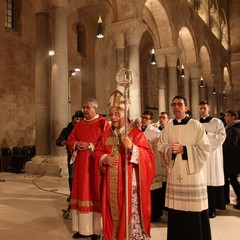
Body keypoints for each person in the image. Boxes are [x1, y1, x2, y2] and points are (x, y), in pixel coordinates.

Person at [94, 90, 155, 240]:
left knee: (128, 214)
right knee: (112, 214)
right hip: (111, 186)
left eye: (117, 114)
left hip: (129, 185)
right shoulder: (106, 135)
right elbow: (96, 152)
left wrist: (133, 148)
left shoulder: (136, 134)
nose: (113, 117)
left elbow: (149, 157)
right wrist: (104, 157)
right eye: (111, 114)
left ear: (124, 113)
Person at [158, 95, 211, 240]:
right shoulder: (168, 126)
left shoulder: (196, 125)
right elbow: (161, 146)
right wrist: (169, 149)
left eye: (179, 104)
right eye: (173, 104)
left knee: (193, 210)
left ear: (186, 107)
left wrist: (185, 149)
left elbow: (205, 149)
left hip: (192, 174)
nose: (176, 107)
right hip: (175, 173)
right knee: (176, 211)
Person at [67, 98, 110, 240]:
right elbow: (70, 138)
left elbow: (106, 142)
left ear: (95, 109)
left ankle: (97, 231)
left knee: (93, 193)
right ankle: (82, 228)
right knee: (80, 193)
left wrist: (91, 145)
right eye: (83, 107)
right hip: (80, 166)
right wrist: (76, 144)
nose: (85, 110)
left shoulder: (103, 123)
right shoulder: (79, 124)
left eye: (88, 107)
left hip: (94, 165)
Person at [198, 100, 226, 218]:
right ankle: (203, 208)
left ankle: (212, 208)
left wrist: (206, 135)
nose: (202, 110)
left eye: (204, 108)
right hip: (200, 157)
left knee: (211, 184)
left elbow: (221, 137)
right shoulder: (196, 123)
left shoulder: (217, 122)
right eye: (200, 108)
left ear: (209, 108)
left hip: (213, 156)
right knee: (202, 184)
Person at [56, 111, 83, 201]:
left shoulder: (83, 128)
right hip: (72, 155)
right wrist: (62, 142)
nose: (77, 125)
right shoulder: (67, 130)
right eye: (75, 123)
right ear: (72, 122)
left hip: (83, 155)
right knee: (72, 175)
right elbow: (58, 141)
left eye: (79, 123)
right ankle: (72, 193)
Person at [140, 110, 162, 222]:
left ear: (151, 120)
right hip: (141, 163)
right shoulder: (137, 130)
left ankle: (155, 214)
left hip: (152, 161)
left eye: (146, 118)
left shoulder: (156, 132)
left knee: (154, 190)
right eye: (142, 117)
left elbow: (160, 147)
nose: (143, 120)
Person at [223, 110, 240, 209]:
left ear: (233, 117)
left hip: (232, 160)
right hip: (234, 160)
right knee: (233, 180)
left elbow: (232, 145)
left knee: (232, 180)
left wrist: (221, 144)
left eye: (227, 115)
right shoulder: (235, 127)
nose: (225, 118)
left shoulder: (233, 129)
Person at [157, 111, 170, 217]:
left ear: (168, 119)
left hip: (166, 160)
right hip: (158, 160)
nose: (161, 119)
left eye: (163, 117)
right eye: (160, 117)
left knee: (166, 183)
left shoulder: (170, 129)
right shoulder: (156, 130)